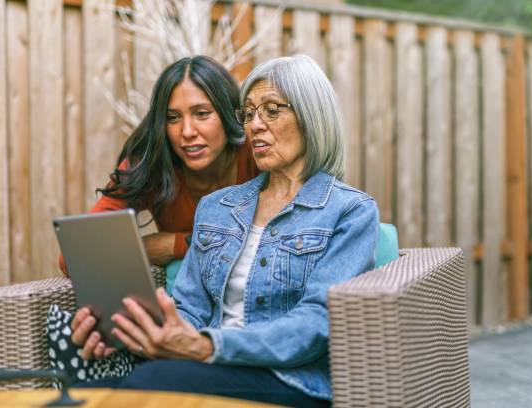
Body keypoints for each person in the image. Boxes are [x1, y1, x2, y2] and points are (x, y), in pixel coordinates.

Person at [71, 55, 379, 407]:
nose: (255, 125)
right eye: (248, 114)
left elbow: (315, 323)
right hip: (209, 368)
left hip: (294, 381)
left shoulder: (350, 211)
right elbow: (190, 308)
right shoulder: (218, 207)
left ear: (311, 116)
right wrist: (139, 332)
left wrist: (206, 345)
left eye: (271, 110)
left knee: (148, 384)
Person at [60, 55, 258, 272]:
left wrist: (172, 244)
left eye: (202, 114)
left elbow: (286, 243)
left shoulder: (257, 152)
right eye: (173, 118)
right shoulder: (152, 162)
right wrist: (148, 249)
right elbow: (73, 257)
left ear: (229, 113)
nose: (188, 132)